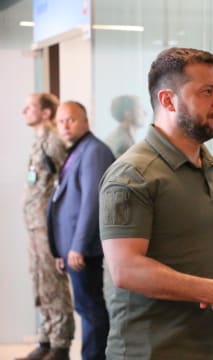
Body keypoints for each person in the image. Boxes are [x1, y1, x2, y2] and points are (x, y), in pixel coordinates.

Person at [98, 47, 213, 360]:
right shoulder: (132, 174)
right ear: (168, 100)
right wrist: (212, 290)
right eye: (207, 92)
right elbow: (125, 269)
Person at [48, 101, 115, 360]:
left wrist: (78, 246)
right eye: (60, 121)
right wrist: (60, 249)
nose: (65, 126)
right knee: (86, 307)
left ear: (86, 122)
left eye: (71, 120)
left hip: (83, 249)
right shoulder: (77, 150)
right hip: (72, 248)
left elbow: (92, 201)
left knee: (92, 310)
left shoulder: (94, 151)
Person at [18, 93, 75, 360]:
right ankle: (46, 339)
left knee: (53, 283)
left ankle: (60, 344)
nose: (24, 111)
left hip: (47, 226)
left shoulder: (54, 142)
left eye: (30, 107)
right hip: (34, 224)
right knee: (39, 280)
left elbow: (66, 186)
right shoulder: (39, 142)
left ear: (45, 113)